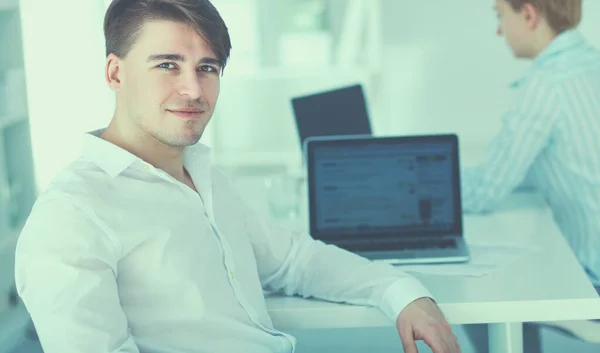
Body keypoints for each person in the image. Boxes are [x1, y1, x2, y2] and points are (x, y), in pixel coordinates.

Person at [14, 1, 460, 352]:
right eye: (167, 64)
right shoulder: (72, 216)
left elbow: (295, 262)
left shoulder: (204, 178)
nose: (193, 89)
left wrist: (402, 293)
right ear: (115, 72)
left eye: (206, 68)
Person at [461, 0, 600, 291]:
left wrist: (420, 186)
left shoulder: (546, 86)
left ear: (528, 15)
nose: (499, 31)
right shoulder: (591, 64)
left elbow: (485, 192)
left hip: (594, 279)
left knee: (482, 286)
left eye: (500, 16)